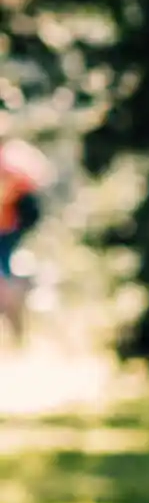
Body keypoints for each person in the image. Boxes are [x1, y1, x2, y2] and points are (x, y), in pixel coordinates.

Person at [0, 135, 48, 348]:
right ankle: (16, 330)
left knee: (5, 276)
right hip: (11, 227)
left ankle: (15, 324)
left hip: (7, 227)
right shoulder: (15, 158)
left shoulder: (9, 163)